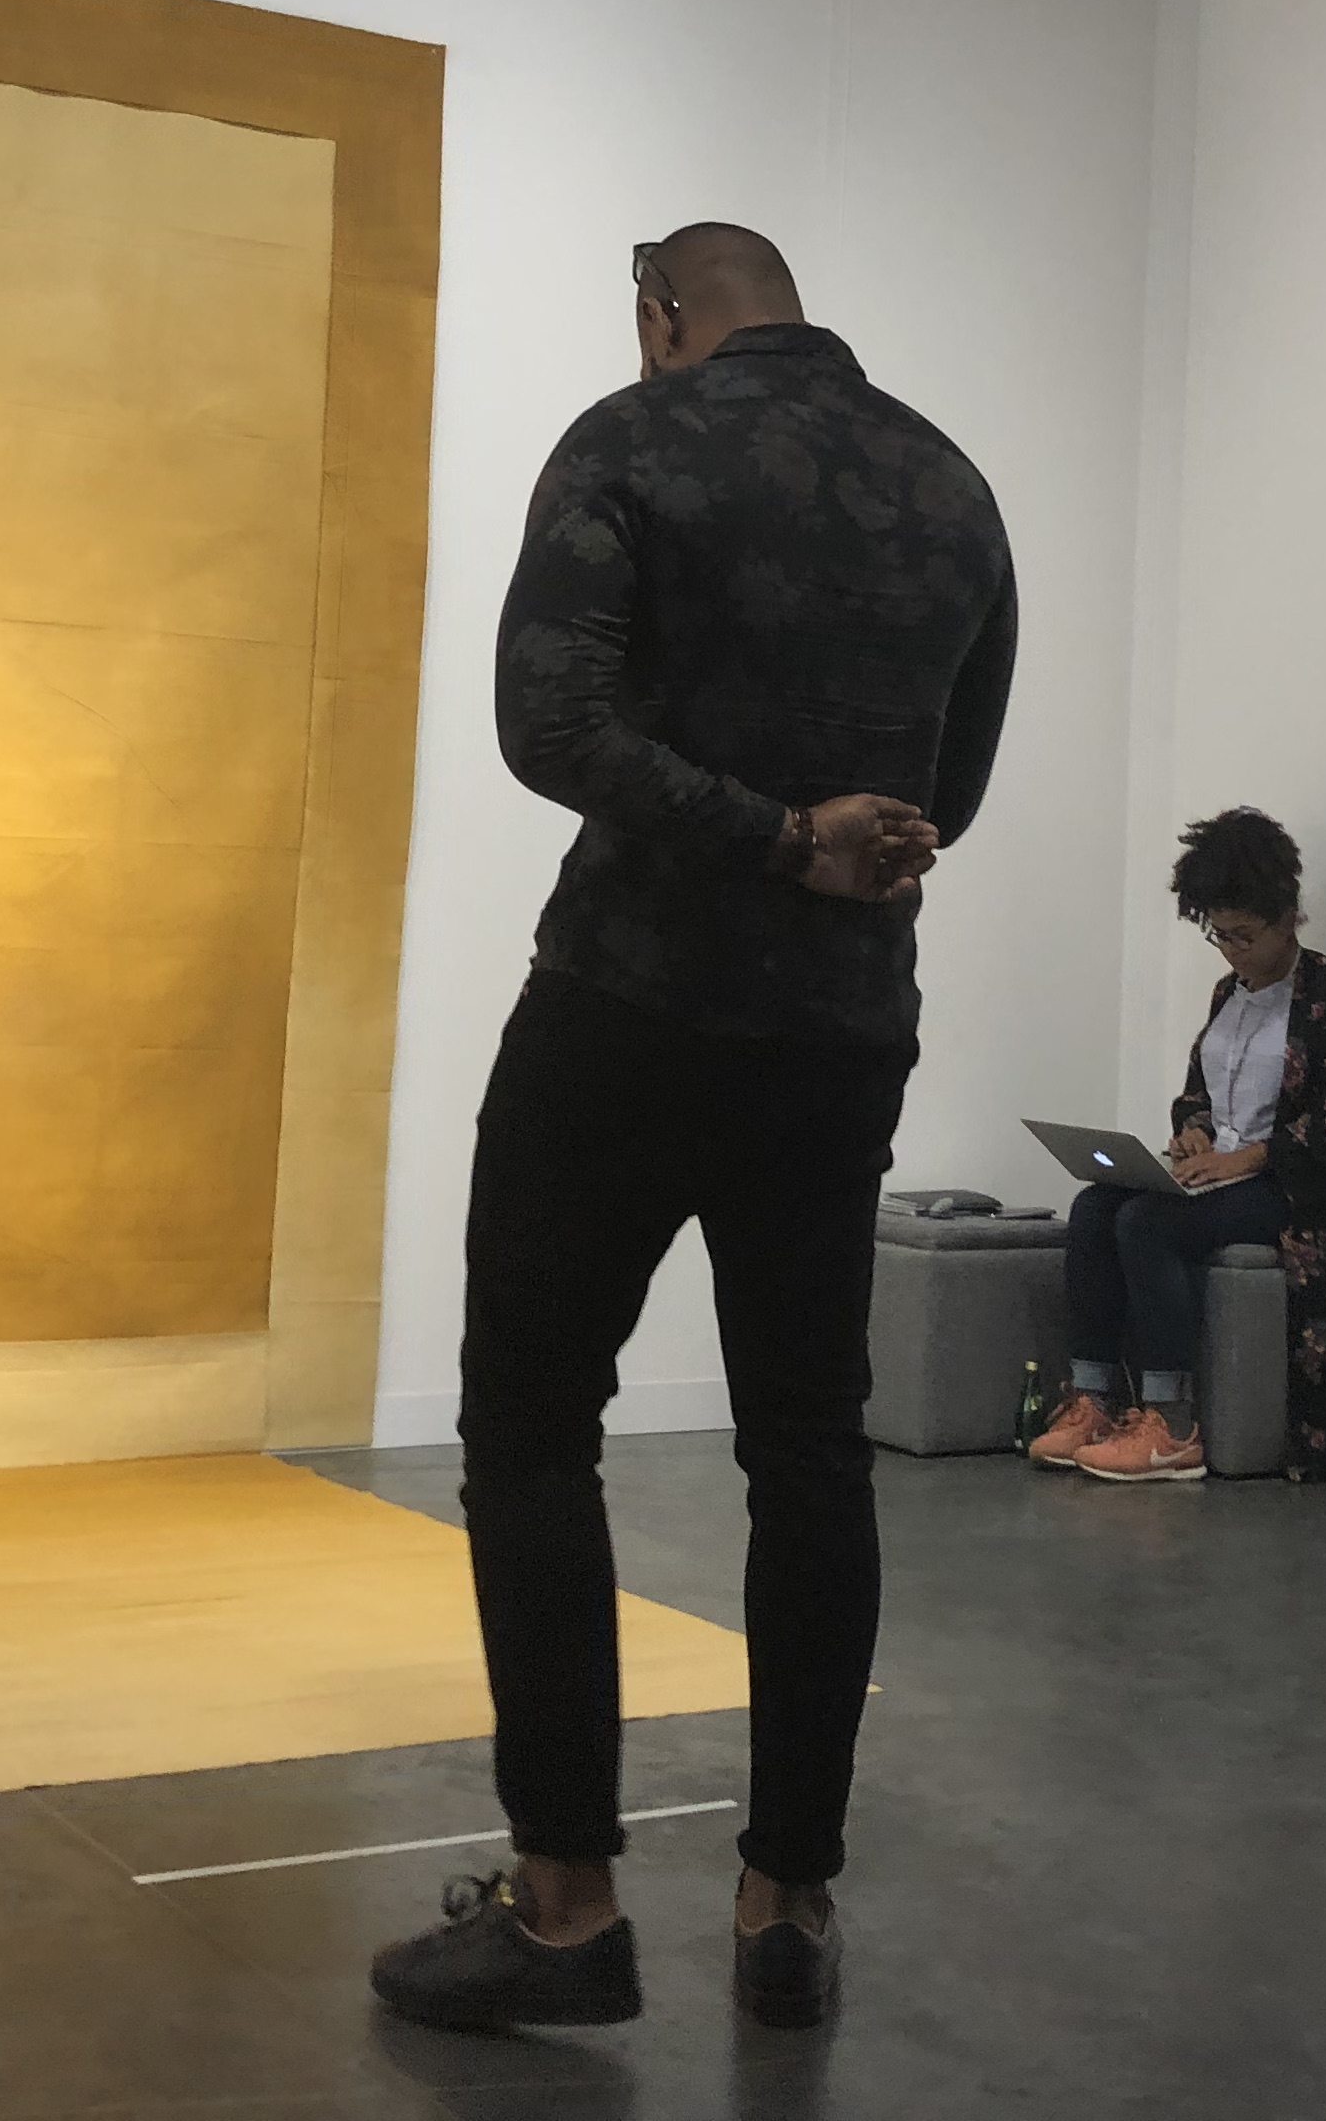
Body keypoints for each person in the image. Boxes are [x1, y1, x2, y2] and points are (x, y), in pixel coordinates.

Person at [370, 222, 1017, 2037]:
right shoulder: (952, 485)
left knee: (529, 1428)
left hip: (628, 1009)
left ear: (662, 314)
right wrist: (829, 838)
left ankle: (566, 1907)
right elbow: (949, 787)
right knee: (811, 1450)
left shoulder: (631, 440)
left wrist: (763, 834)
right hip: (838, 1033)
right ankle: (787, 1902)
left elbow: (549, 719)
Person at [1030, 807, 1326, 1486]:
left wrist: (1249, 1157)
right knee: (1094, 1207)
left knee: (1147, 1222)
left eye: (1243, 935)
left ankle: (1170, 1423)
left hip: (1292, 1192)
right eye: (1218, 935)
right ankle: (1093, 1399)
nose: (1231, 951)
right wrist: (1194, 1129)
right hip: (1220, 1175)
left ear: (1288, 917)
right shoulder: (1229, 993)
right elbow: (1200, 1092)